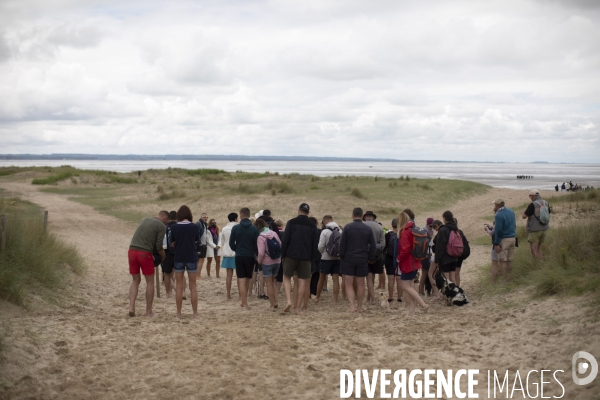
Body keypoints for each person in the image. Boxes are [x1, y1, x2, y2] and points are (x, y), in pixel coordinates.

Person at [128, 210, 169, 317]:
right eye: (166, 222)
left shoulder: (143, 219)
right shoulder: (161, 226)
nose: (165, 224)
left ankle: (131, 307)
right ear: (164, 218)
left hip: (132, 251)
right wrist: (163, 256)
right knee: (150, 282)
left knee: (135, 280)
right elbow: (159, 246)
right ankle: (148, 311)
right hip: (145, 253)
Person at [281, 203, 320, 315]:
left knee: (287, 277)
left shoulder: (291, 222)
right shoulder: (313, 226)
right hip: (306, 256)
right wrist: (312, 259)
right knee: (302, 281)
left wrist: (283, 254)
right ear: (308, 213)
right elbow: (315, 244)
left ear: (299, 211)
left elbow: (285, 240)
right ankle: (297, 308)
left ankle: (289, 301)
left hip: (291, 254)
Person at [340, 208, 376, 313]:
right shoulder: (368, 229)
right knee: (361, 283)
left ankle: (352, 306)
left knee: (348, 283)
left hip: (349, 258)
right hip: (362, 258)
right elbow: (373, 247)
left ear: (352, 215)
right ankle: (359, 306)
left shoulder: (347, 228)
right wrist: (368, 257)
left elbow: (342, 245)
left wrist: (343, 257)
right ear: (362, 215)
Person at [171, 205, 200, 319]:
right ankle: (195, 313)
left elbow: (171, 242)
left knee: (179, 286)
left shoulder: (174, 227)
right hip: (191, 256)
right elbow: (198, 241)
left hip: (179, 256)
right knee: (193, 287)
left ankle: (179, 313)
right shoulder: (194, 227)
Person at [397, 212, 430, 314]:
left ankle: (423, 304)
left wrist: (398, 258)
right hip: (415, 261)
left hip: (408, 262)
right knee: (410, 286)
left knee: (405, 286)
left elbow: (405, 249)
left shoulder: (405, 231)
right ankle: (412, 309)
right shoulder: (413, 229)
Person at [229, 207, 259, 310]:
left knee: (241, 279)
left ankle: (244, 302)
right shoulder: (254, 229)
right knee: (247, 279)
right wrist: (254, 252)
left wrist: (237, 249)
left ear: (241, 215)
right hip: (250, 256)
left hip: (240, 255)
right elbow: (257, 244)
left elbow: (231, 243)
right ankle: (244, 301)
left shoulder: (236, 228)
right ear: (249, 215)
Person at [256, 218, 282, 311]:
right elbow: (280, 244)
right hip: (277, 261)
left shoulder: (261, 237)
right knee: (273, 282)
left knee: (268, 284)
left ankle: (271, 304)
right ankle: (276, 301)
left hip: (267, 262)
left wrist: (259, 261)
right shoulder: (273, 233)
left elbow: (261, 253)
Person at [315, 215, 342, 304]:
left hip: (326, 258)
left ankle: (317, 297)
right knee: (336, 279)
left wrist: (323, 253)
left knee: (321, 278)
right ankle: (335, 300)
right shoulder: (340, 231)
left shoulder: (325, 231)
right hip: (337, 258)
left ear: (325, 221)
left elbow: (320, 246)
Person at [362, 211, 385, 305]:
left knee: (368, 278)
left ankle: (372, 299)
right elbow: (383, 244)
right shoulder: (379, 227)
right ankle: (370, 298)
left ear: (365, 217)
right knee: (372, 277)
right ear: (373, 217)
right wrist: (376, 251)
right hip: (377, 255)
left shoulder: (363, 226)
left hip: (365, 255)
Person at [493, 198, 516, 283]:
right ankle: (510, 278)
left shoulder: (498, 215)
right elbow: (514, 225)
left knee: (503, 260)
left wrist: (496, 242)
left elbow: (498, 230)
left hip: (504, 239)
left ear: (497, 205)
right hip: (512, 237)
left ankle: (504, 280)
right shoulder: (511, 211)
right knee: (510, 260)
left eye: (495, 204)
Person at [522, 189, 549, 260]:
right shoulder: (546, 202)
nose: (530, 198)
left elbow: (524, 216)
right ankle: (541, 263)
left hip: (535, 229)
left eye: (530, 196)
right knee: (539, 248)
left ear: (533, 196)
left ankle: (537, 265)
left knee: (534, 249)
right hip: (544, 228)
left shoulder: (533, 204)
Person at [432, 211, 459, 284]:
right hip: (454, 256)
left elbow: (440, 246)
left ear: (444, 218)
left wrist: (437, 260)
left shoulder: (443, 230)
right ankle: (455, 293)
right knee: (453, 279)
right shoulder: (455, 229)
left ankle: (447, 295)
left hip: (445, 258)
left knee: (446, 279)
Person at [219, 213, 238, 300]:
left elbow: (222, 242)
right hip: (237, 253)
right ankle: (241, 294)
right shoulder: (238, 227)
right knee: (239, 276)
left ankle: (228, 295)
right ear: (236, 218)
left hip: (227, 252)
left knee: (228, 275)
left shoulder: (224, 229)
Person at [384, 218, 402, 303]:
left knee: (390, 278)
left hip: (389, 257)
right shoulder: (401, 235)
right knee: (399, 278)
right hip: (399, 258)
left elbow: (384, 247)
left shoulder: (388, 235)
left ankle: (391, 296)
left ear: (392, 225)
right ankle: (399, 297)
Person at [161, 210, 178, 298]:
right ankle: (181, 292)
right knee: (177, 273)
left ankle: (168, 293)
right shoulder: (179, 226)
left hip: (167, 252)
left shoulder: (164, 227)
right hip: (178, 252)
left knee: (167, 273)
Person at [418, 217, 434, 296]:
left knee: (426, 273)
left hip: (428, 255)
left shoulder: (427, 233)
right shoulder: (424, 233)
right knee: (424, 274)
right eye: (430, 226)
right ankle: (421, 291)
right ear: (427, 225)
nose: (432, 228)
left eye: (433, 226)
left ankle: (421, 290)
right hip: (425, 255)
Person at [484, 215, 499, 284]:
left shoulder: (498, 221)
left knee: (494, 264)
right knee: (506, 261)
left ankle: (493, 282)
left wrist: (487, 229)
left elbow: (492, 233)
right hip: (507, 241)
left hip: (497, 244)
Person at [195, 213, 209, 280]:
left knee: (200, 260)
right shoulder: (198, 224)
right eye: (204, 217)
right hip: (200, 244)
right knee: (201, 260)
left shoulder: (205, 225)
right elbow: (196, 234)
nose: (206, 218)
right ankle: (197, 275)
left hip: (203, 244)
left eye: (207, 217)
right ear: (201, 217)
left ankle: (197, 274)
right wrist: (198, 242)